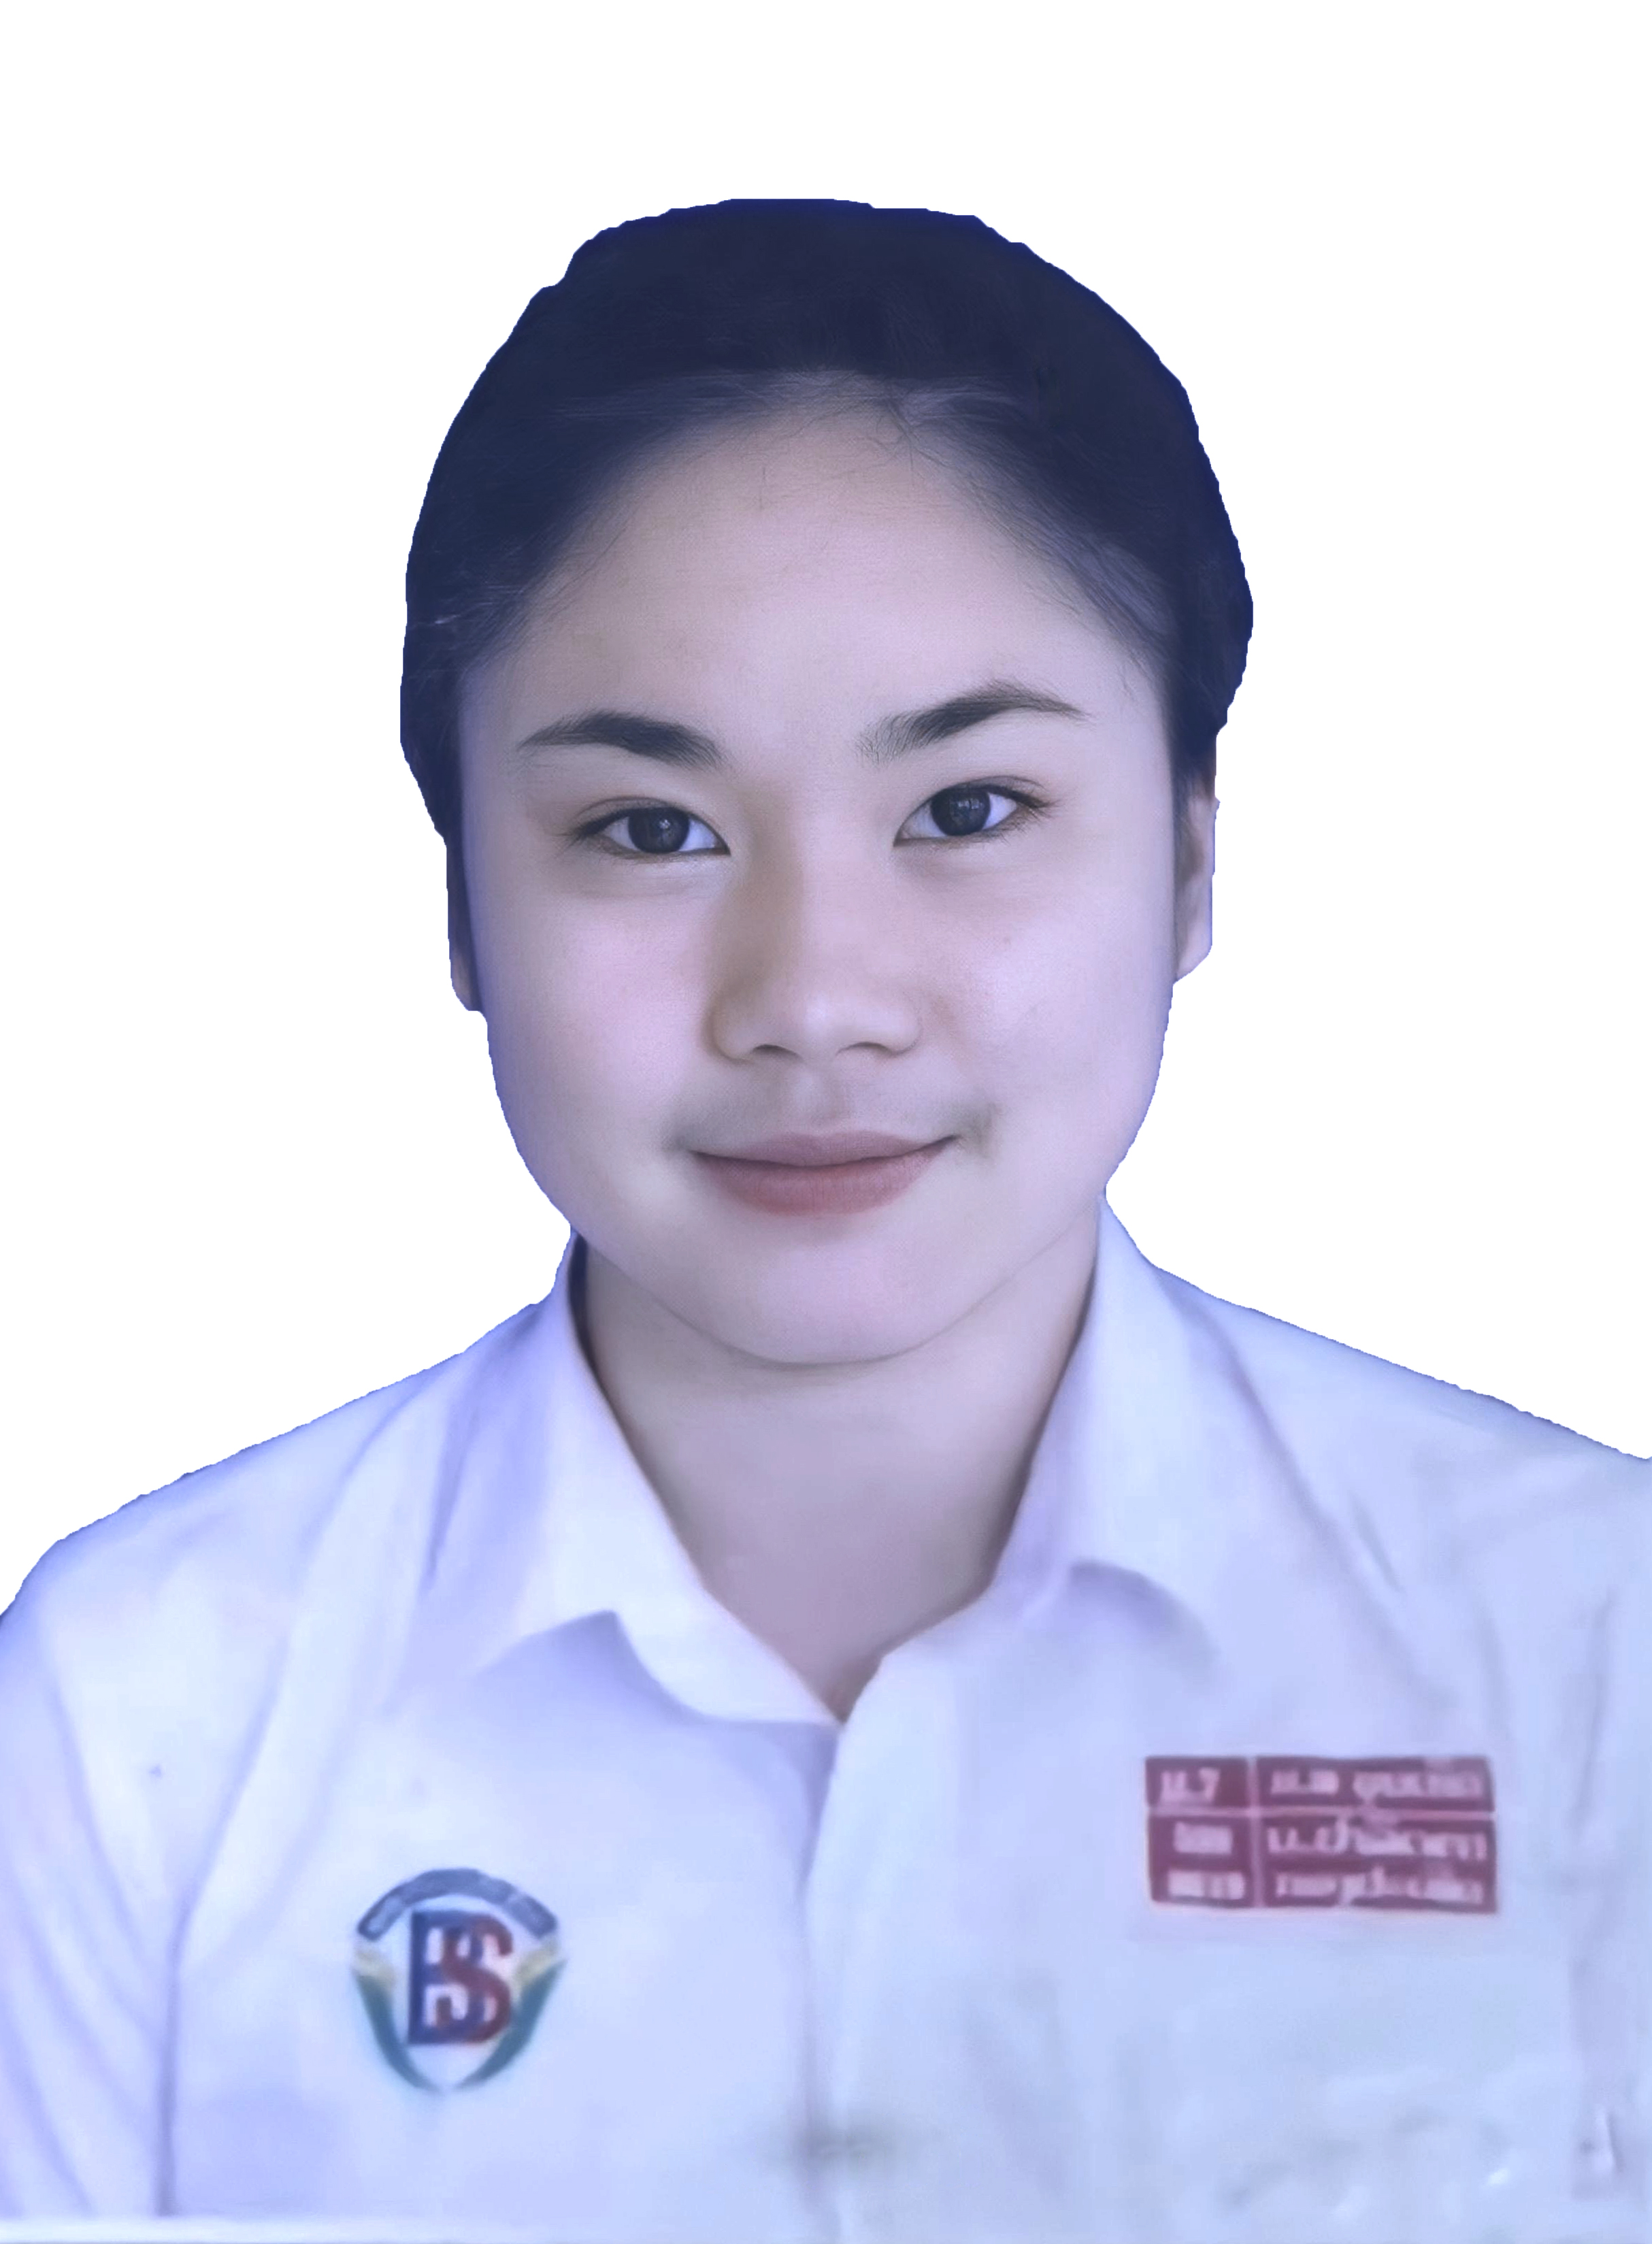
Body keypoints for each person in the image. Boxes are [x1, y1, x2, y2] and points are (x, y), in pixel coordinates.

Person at [1, 197, 1647, 2244]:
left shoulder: (1586, 1636)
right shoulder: (141, 1705)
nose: (810, 996)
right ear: (461, 911)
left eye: (966, 810)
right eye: (648, 828)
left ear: (1190, 860)